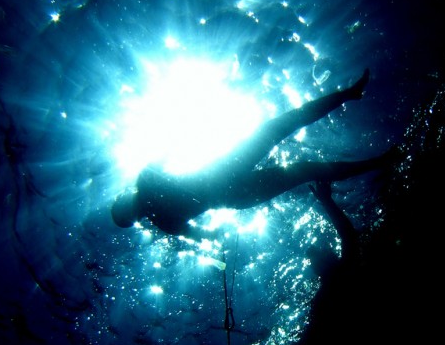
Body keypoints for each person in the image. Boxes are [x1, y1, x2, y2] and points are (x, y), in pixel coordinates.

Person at [111, 68, 396, 236]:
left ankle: (379, 160)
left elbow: (204, 235)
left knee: (305, 166)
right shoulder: (146, 181)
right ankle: (348, 96)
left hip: (234, 194)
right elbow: (172, 145)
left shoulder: (163, 221)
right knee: (285, 126)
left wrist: (212, 236)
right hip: (225, 168)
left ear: (135, 219)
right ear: (124, 200)